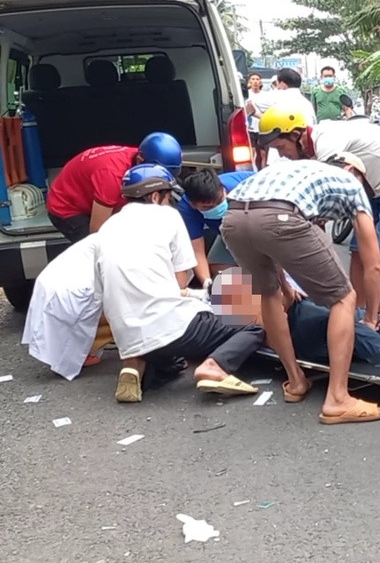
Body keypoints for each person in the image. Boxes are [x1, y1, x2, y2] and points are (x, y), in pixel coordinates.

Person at [220, 157, 380, 425]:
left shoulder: (296, 169)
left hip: (233, 218)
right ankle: (338, 398)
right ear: (353, 171)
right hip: (280, 216)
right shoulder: (352, 184)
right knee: (343, 298)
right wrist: (370, 318)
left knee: (269, 293)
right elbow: (374, 265)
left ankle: (296, 381)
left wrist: (287, 287)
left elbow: (265, 231)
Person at [94, 164, 265, 403]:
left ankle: (137, 364)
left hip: (127, 335)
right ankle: (214, 367)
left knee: (169, 357)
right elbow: (181, 282)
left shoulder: (107, 228)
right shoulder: (168, 216)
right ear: (155, 196)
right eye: (166, 197)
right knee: (250, 324)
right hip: (170, 326)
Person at [274, 114, 380, 318]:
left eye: (282, 148)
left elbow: (327, 189)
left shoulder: (325, 144)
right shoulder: (314, 146)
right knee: (358, 251)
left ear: (296, 136)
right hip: (372, 185)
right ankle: (357, 313)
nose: (282, 155)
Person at [212, 268, 380, 376]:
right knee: (349, 327)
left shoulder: (272, 259)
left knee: (377, 322)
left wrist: (288, 290)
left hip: (308, 307)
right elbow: (263, 326)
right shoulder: (232, 291)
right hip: (295, 327)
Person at [46, 133, 183, 243]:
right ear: (141, 160)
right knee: (101, 250)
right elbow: (97, 231)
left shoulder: (141, 157)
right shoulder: (112, 175)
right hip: (67, 207)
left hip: (96, 195)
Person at [21, 233, 113, 381]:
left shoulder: (112, 231)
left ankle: (77, 351)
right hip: (72, 290)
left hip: (50, 281)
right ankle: (82, 353)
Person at [178, 168, 255, 287]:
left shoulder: (241, 187)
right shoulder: (186, 210)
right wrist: (206, 283)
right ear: (193, 205)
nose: (217, 208)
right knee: (220, 267)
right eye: (207, 207)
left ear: (223, 190)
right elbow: (197, 250)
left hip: (257, 225)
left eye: (220, 201)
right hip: (226, 232)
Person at [247, 67, 316, 126]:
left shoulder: (276, 97)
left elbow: (250, 104)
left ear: (282, 84)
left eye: (277, 83)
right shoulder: (307, 104)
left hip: (287, 139)